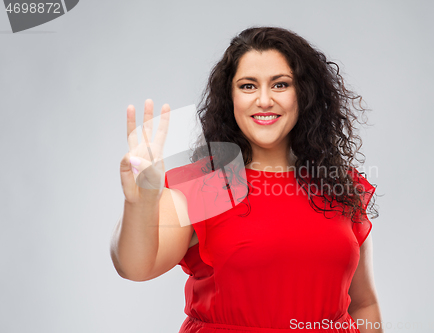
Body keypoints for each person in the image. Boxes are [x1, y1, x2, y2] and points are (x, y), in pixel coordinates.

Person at [110, 26, 382, 333]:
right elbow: (134, 267)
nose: (264, 100)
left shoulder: (338, 186)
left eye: (280, 85)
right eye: (248, 86)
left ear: (303, 94)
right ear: (231, 98)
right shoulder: (209, 186)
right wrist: (139, 203)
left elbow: (363, 305)